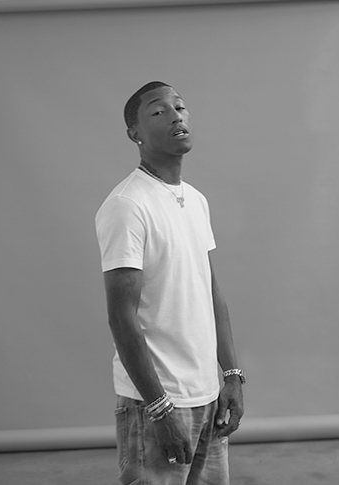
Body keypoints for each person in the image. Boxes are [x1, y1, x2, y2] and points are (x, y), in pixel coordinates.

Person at [95, 81, 245, 485]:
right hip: (157, 402)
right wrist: (159, 407)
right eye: (159, 111)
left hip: (207, 397)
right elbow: (121, 316)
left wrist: (231, 375)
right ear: (135, 134)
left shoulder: (195, 200)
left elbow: (211, 292)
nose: (176, 116)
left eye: (179, 107)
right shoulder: (127, 205)